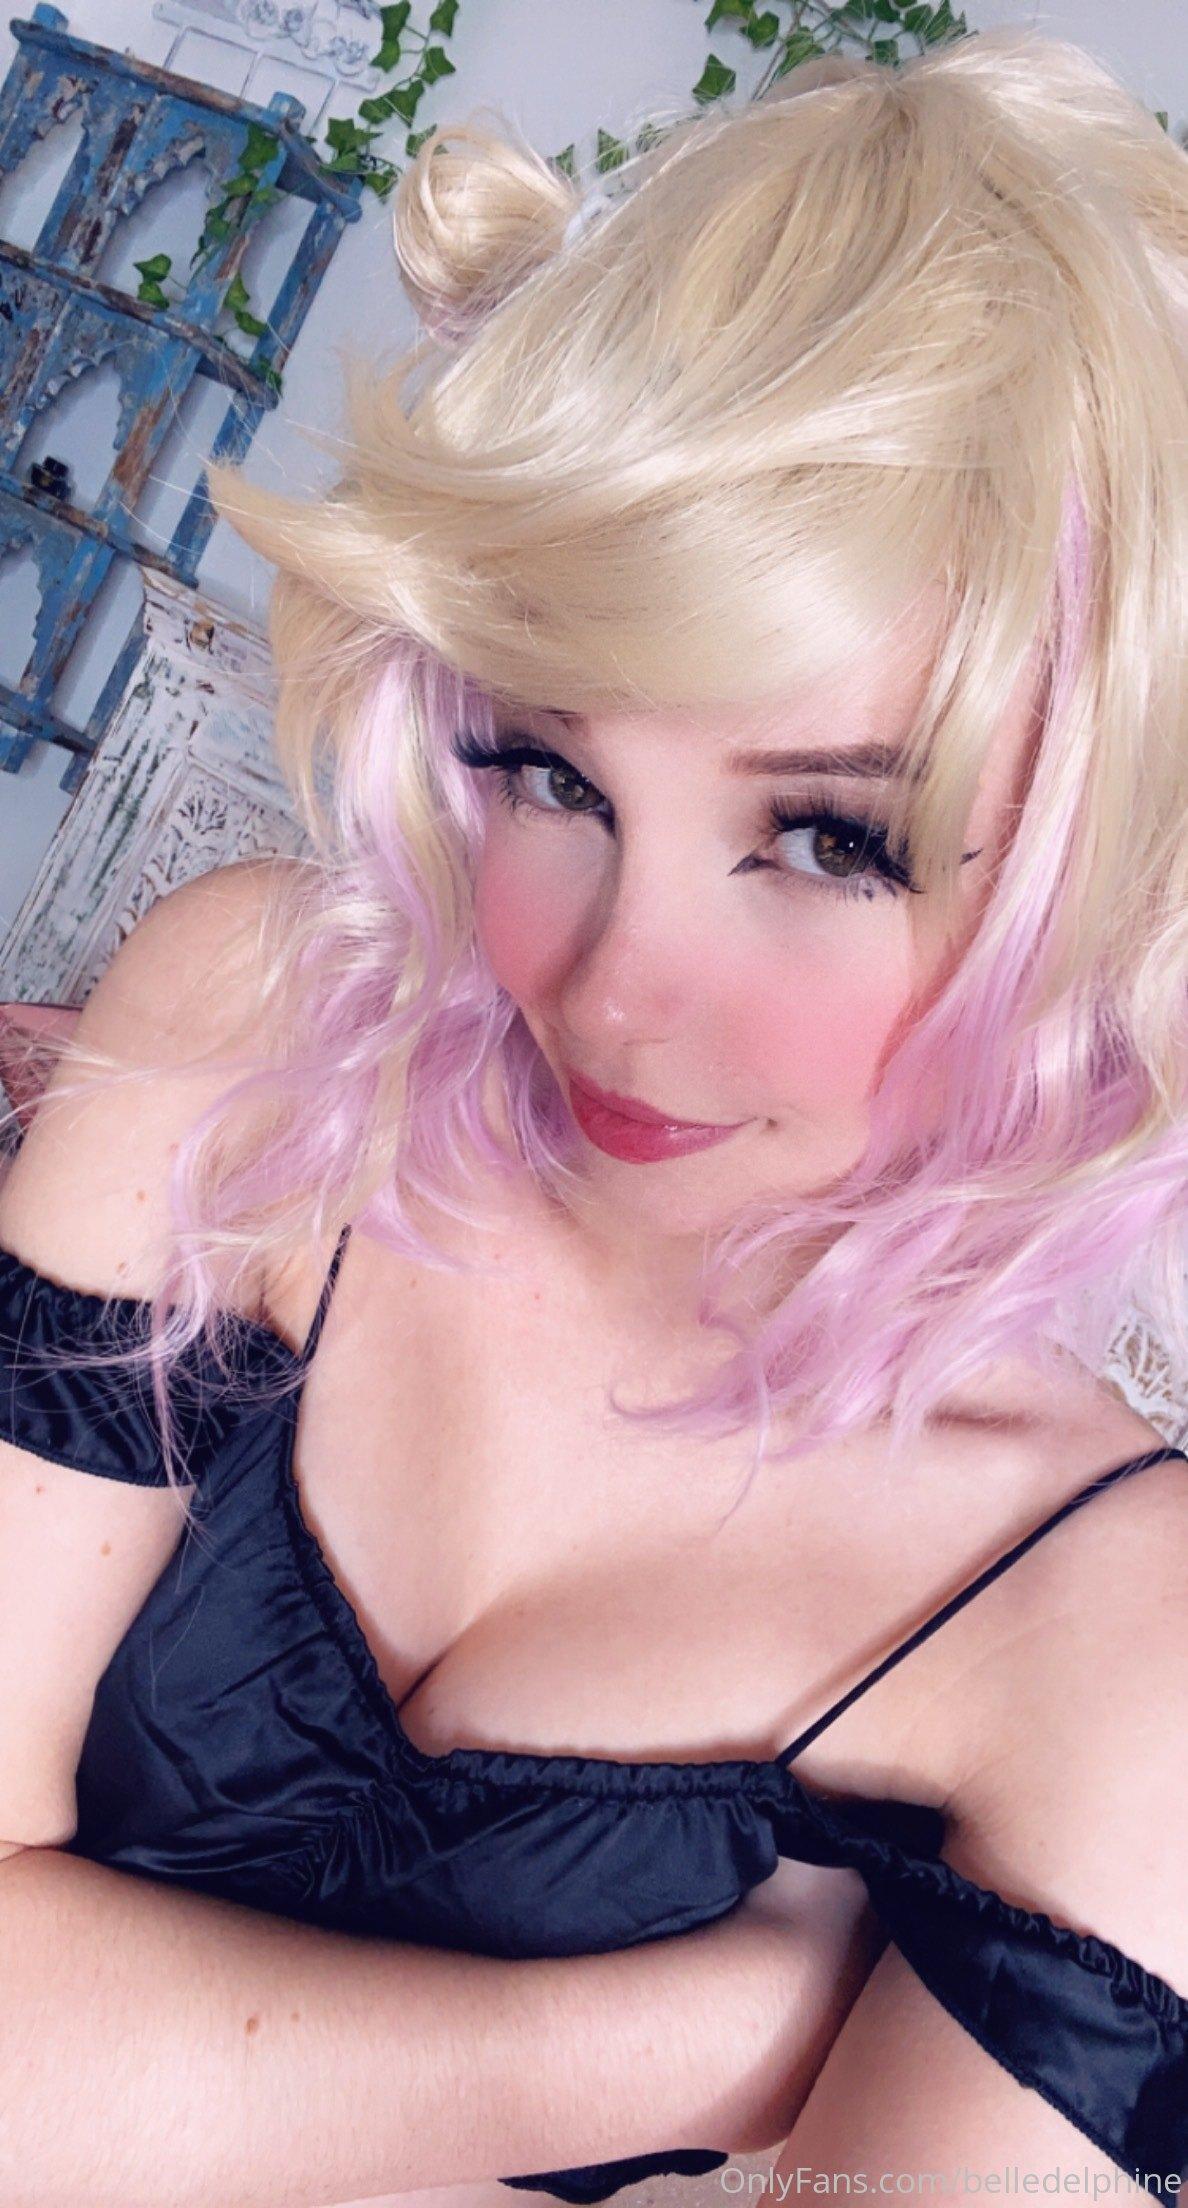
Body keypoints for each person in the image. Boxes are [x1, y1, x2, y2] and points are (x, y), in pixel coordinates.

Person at [0, 24, 1185, 2208]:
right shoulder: (256, 1030)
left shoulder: (1116, 1623)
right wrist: (715, 2031)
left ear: (1097, 877)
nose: (612, 988)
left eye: (828, 840)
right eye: (551, 771)